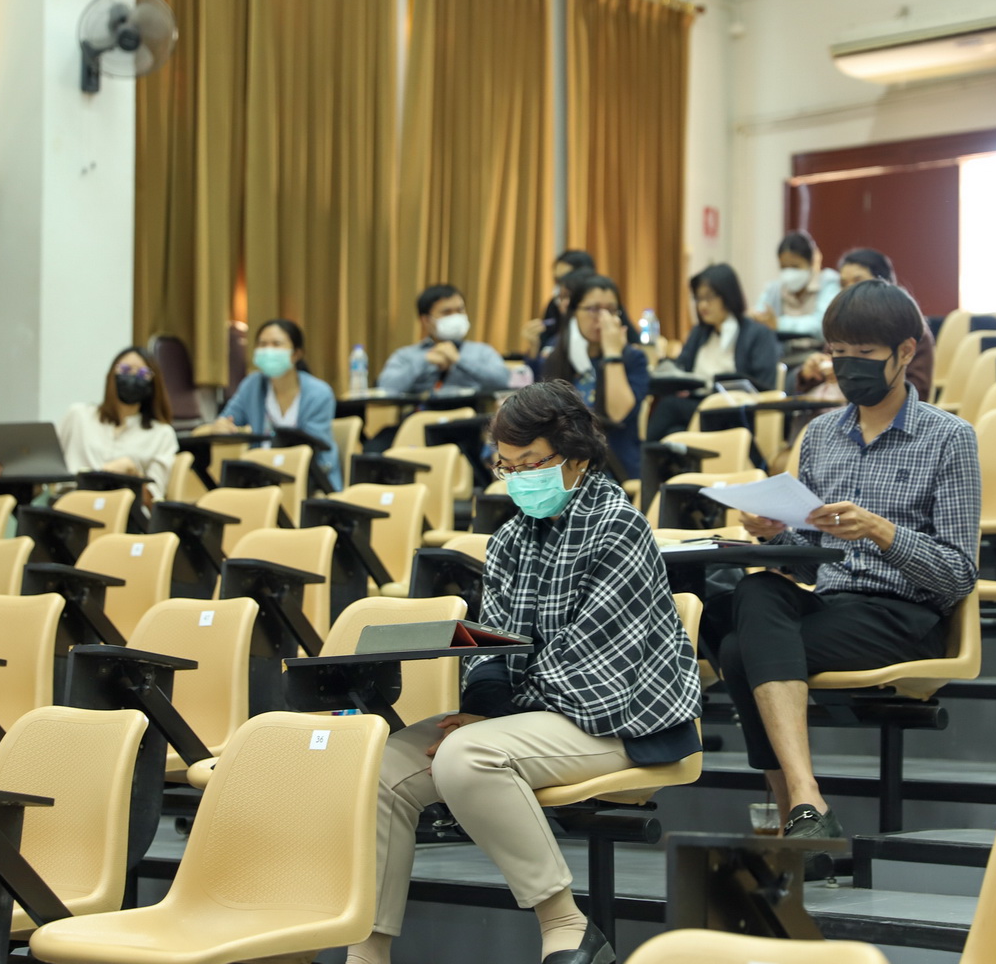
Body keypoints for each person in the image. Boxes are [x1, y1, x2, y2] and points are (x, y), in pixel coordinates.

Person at [345, 380, 700, 964]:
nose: (517, 479)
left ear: (576, 455)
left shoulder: (619, 526)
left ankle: (566, 924)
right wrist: (485, 707)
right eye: (506, 467)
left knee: (467, 756)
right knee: (382, 767)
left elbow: (591, 666)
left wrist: (494, 719)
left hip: (623, 720)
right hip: (537, 714)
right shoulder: (510, 537)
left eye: (530, 463)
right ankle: (368, 952)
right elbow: (492, 647)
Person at [718, 280, 980, 863]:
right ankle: (807, 805)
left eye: (864, 354)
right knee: (754, 591)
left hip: (904, 615)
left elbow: (959, 574)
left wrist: (883, 532)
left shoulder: (950, 438)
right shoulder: (821, 436)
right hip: (833, 604)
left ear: (906, 352)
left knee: (739, 651)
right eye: (838, 353)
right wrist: (774, 531)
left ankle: (794, 815)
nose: (848, 366)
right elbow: (810, 552)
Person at [645, 264, 780, 442]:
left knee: (669, 407)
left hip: (733, 411)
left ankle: (638, 457)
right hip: (699, 406)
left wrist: (726, 381)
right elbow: (681, 368)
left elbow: (765, 386)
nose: (702, 305)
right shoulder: (700, 333)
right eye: (698, 298)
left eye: (709, 298)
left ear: (728, 295)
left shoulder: (757, 334)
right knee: (673, 432)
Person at [542, 272, 650, 479]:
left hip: (614, 466)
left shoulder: (633, 359)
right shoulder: (557, 357)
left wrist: (612, 354)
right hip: (562, 464)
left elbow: (618, 413)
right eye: (593, 309)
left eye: (611, 310)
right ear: (574, 313)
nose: (603, 318)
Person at [792, 249, 937, 401]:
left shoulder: (908, 328)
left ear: (883, 284)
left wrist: (857, 378)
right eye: (843, 284)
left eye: (866, 351)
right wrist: (811, 373)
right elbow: (815, 384)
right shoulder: (842, 325)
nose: (850, 290)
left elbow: (918, 391)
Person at [212, 318, 342, 489]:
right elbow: (228, 418)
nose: (268, 350)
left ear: (296, 354)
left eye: (276, 344)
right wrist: (222, 425)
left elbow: (314, 447)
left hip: (309, 479)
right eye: (262, 344)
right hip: (261, 478)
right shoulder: (252, 385)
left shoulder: (319, 393)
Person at [42, 346, 179, 504]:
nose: (133, 377)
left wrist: (134, 474)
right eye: (125, 369)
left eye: (143, 373)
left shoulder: (162, 434)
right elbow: (45, 466)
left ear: (153, 382)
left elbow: (153, 501)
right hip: (69, 505)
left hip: (123, 510)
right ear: (111, 376)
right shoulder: (78, 416)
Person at [377, 284, 512, 395]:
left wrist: (459, 360)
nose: (455, 317)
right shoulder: (406, 355)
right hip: (421, 416)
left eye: (460, 310)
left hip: (470, 416)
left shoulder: (482, 351)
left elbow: (503, 381)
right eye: (446, 312)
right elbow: (386, 387)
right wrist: (424, 361)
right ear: (426, 320)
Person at [750, 230, 841, 340]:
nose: (789, 273)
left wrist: (778, 324)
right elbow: (760, 315)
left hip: (817, 349)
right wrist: (755, 317)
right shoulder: (774, 289)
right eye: (784, 267)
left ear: (810, 263)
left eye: (795, 266)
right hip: (781, 350)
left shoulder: (828, 283)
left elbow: (822, 325)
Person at [523, 249, 597, 358]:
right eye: (556, 280)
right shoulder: (554, 305)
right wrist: (534, 345)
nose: (564, 303)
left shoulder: (603, 308)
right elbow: (543, 356)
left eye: (565, 278)